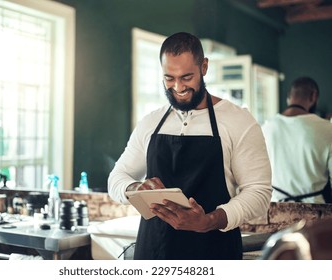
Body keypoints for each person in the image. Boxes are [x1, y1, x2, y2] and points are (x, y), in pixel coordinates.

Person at [108, 32, 272, 260]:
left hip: (214, 252)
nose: (178, 87)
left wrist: (209, 221)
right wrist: (134, 188)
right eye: (169, 78)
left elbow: (259, 193)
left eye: (186, 77)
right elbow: (117, 176)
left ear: (204, 67)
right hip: (153, 253)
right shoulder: (151, 122)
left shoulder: (238, 121)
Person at [262, 77, 332, 203]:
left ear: (289, 97)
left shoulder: (266, 128)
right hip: (316, 213)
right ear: (314, 96)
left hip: (275, 211)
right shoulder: (328, 129)